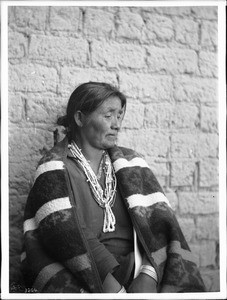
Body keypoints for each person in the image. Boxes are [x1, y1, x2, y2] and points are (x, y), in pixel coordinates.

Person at [22, 82, 206, 293]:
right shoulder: (54, 168)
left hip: (139, 269)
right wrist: (114, 290)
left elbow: (159, 224)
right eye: (108, 115)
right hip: (86, 275)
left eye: (119, 115)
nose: (117, 124)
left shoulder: (131, 163)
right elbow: (65, 234)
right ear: (80, 118)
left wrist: (149, 274)